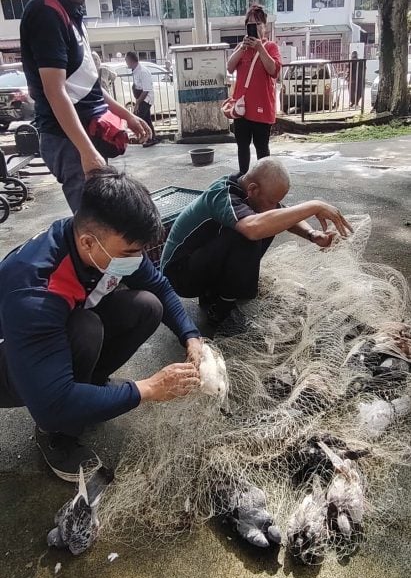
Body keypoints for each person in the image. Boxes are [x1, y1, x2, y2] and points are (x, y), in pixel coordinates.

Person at [0, 167, 202, 481]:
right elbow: (50, 403)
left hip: (48, 338)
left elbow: (159, 285)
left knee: (147, 306)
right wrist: (147, 389)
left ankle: (90, 391)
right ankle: (58, 435)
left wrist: (191, 336)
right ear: (88, 242)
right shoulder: (35, 289)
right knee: (84, 330)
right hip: (12, 362)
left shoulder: (101, 246)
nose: (137, 260)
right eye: (130, 253)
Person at [20, 0, 152, 213]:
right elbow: (56, 92)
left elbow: (86, 87)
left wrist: (127, 116)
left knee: (112, 219)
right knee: (96, 228)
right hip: (68, 140)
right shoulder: (46, 13)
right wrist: (86, 151)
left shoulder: (71, 13)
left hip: (87, 135)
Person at [161, 157, 353, 327]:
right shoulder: (223, 195)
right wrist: (314, 205)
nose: (274, 205)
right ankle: (223, 308)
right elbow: (254, 229)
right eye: (271, 200)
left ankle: (215, 294)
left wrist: (312, 234)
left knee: (267, 221)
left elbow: (282, 213)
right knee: (252, 231)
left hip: (200, 263)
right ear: (253, 189)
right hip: (179, 275)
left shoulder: (249, 191)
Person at [227, 4, 282, 175]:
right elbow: (229, 67)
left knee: (262, 148)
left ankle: (263, 180)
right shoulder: (241, 47)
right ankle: (243, 176)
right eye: (250, 24)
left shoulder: (271, 47)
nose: (254, 27)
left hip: (262, 108)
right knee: (242, 146)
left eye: (258, 23)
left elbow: (273, 70)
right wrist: (242, 48)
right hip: (242, 108)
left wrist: (260, 47)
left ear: (265, 26)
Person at [125, 51, 159, 148]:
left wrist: (137, 103)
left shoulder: (143, 72)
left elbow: (146, 90)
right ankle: (152, 138)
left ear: (131, 61)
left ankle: (146, 137)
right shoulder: (136, 71)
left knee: (140, 118)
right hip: (141, 98)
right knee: (147, 119)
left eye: (127, 61)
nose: (126, 63)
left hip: (146, 99)